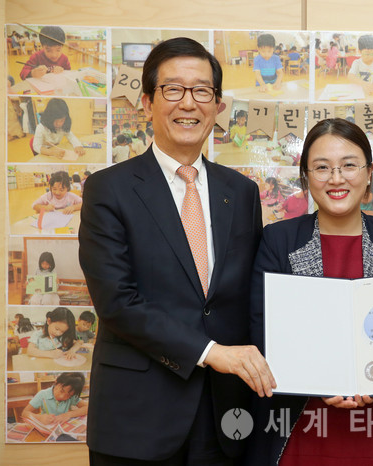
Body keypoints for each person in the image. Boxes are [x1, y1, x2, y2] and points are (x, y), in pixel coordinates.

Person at [78, 37, 275, 464]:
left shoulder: (241, 192)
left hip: (226, 415)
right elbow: (117, 302)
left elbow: (251, 297)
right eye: (173, 89)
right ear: (147, 102)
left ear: (217, 106)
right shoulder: (108, 189)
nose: (188, 103)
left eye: (202, 91)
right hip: (138, 416)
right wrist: (210, 353)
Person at [246, 118, 373, 466]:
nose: (336, 178)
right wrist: (320, 381)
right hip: (297, 424)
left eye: (349, 165)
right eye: (322, 167)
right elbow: (263, 329)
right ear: (305, 177)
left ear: (369, 172)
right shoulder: (278, 240)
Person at [22, 372, 88, 425]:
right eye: (62, 391)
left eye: (69, 395)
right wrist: (39, 418)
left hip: (61, 427)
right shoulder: (42, 394)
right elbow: (24, 413)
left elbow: (88, 407)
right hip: (46, 426)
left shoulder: (72, 397)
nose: (62, 396)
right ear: (56, 382)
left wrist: (68, 414)